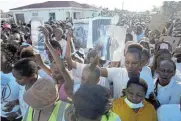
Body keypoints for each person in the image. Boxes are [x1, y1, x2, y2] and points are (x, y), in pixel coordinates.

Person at [1, 43, 22, 121]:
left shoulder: (20, 75)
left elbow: (29, 99)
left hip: (14, 117)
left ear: (9, 60)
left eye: (0, 58)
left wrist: (18, 113)